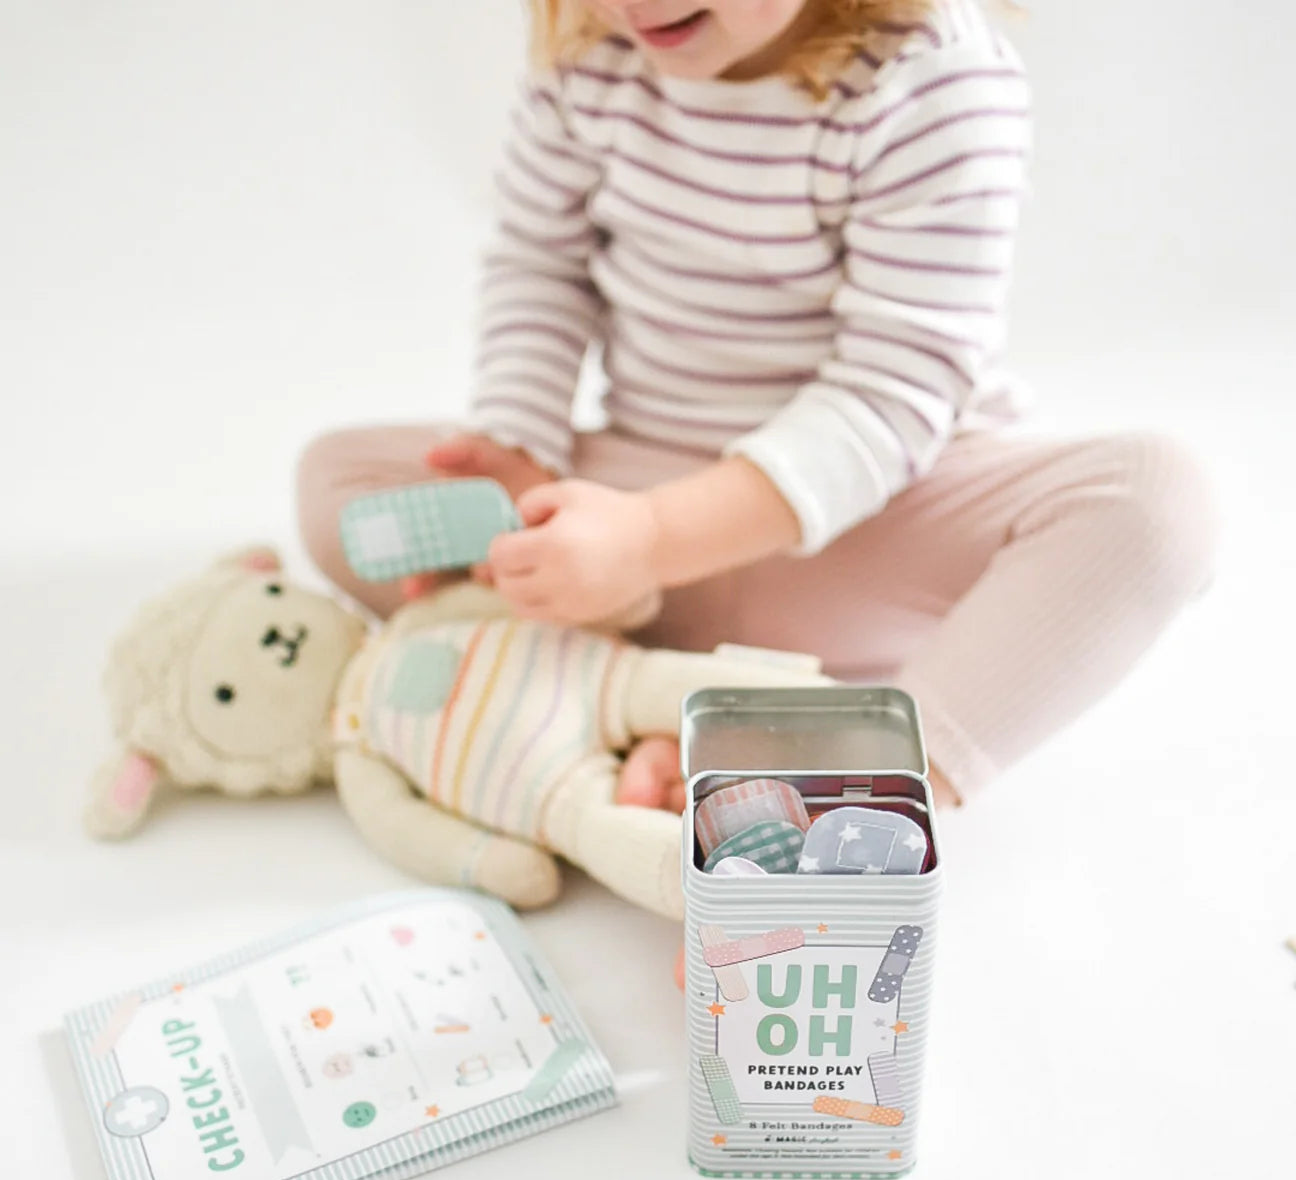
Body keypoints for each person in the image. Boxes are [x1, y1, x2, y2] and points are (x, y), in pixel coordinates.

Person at [297, 0, 1216, 816]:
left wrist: (654, 539)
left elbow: (892, 391)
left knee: (1156, 502)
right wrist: (520, 452)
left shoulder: (929, 72)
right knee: (339, 483)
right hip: (644, 499)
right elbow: (539, 264)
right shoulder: (589, 51)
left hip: (872, 527)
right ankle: (633, 693)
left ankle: (873, 785)